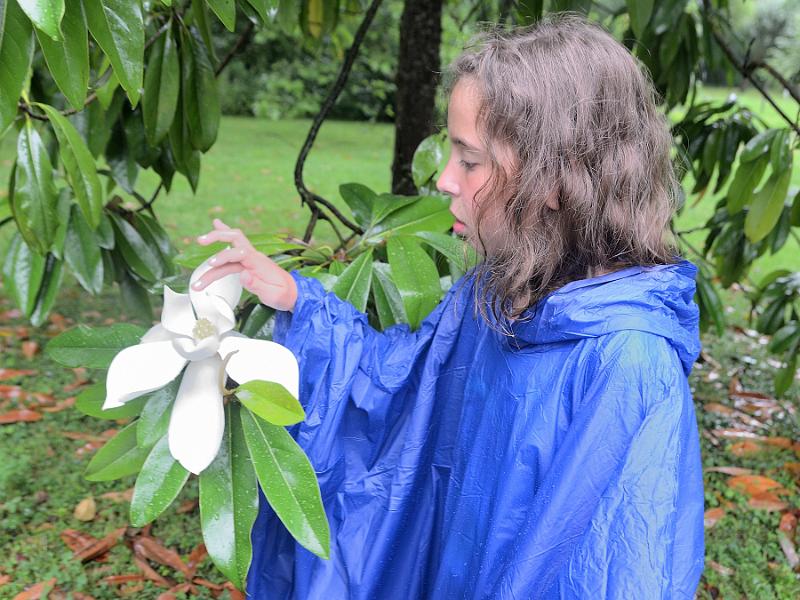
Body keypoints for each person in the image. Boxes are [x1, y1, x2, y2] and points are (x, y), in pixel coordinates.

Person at [193, 14, 704, 599]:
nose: (442, 179)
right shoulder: (494, 296)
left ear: (555, 181)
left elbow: (615, 573)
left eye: (470, 160)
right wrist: (294, 298)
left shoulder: (628, 366)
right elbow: (399, 387)